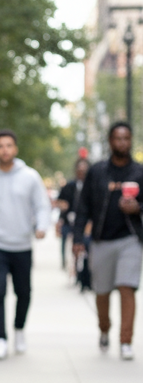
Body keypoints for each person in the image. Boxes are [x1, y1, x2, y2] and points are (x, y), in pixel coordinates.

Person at [0, 130, 51, 359]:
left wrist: (42, 226)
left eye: (9, 145)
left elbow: (42, 205)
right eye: (1, 146)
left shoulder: (30, 177)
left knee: (24, 293)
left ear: (16, 149)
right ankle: (0, 339)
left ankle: (19, 329)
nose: (5, 150)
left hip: (22, 245)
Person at [72, 122, 143, 359]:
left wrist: (137, 208)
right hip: (101, 240)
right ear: (110, 141)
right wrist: (79, 237)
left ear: (130, 141)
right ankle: (104, 329)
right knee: (101, 292)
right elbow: (83, 207)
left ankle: (126, 341)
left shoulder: (139, 172)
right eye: (117, 138)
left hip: (130, 239)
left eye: (126, 138)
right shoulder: (97, 171)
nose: (122, 143)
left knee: (127, 288)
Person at [56, 157, 91, 287]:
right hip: (69, 220)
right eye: (79, 169)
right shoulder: (69, 186)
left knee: (85, 247)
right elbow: (59, 200)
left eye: (84, 170)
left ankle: (85, 275)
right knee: (69, 244)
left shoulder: (92, 186)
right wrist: (62, 205)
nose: (81, 172)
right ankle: (73, 270)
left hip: (85, 223)